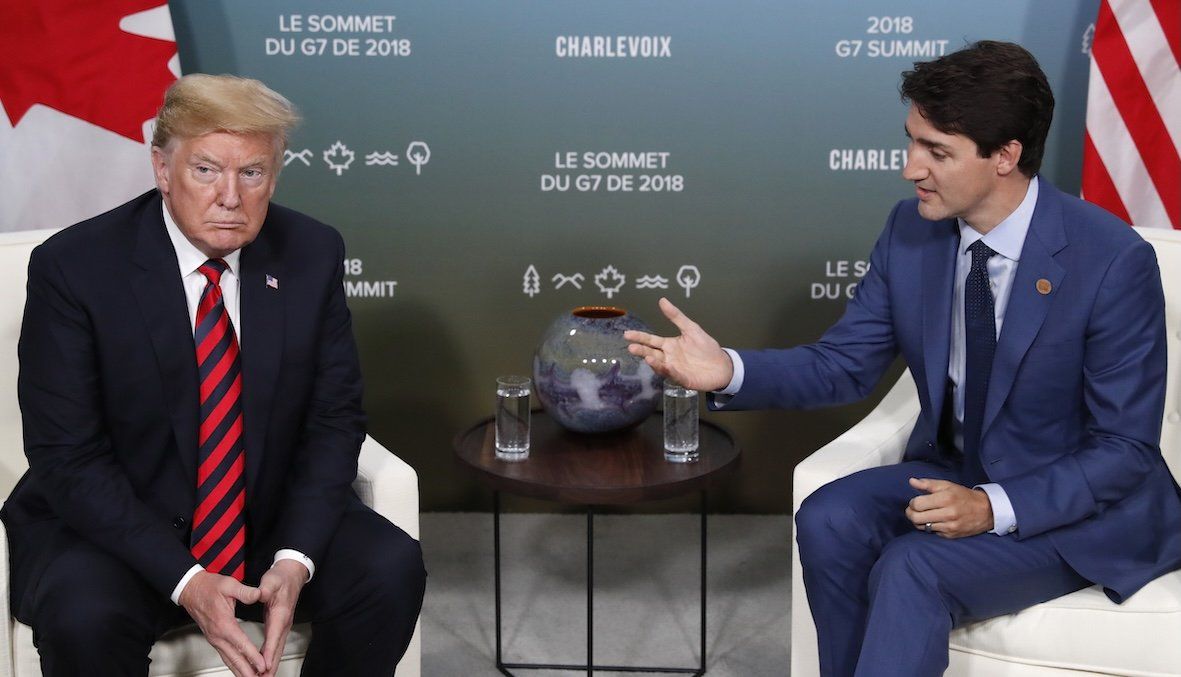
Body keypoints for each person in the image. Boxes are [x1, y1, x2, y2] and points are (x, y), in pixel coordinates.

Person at [626, 41, 1181, 676]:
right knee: (828, 518)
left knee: (912, 566)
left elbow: (1124, 449)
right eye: (912, 140)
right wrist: (729, 370)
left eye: (937, 151)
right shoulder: (910, 231)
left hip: (1078, 510)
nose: (910, 167)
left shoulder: (1112, 260)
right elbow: (844, 363)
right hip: (957, 469)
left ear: (1006, 156)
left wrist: (993, 507)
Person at [1, 74, 426, 677]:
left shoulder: (311, 252)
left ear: (273, 177)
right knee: (83, 615)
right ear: (161, 167)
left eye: (251, 173)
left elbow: (334, 421)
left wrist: (295, 557)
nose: (231, 195)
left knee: (389, 568)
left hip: (263, 519)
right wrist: (186, 579)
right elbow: (67, 456)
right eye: (206, 170)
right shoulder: (74, 269)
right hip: (118, 528)